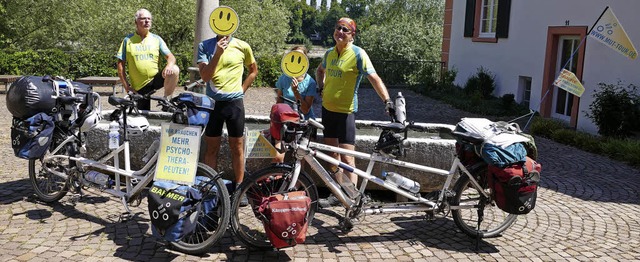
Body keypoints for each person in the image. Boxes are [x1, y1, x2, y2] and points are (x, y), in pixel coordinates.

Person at [315, 17, 394, 207]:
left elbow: (374, 78)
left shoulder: (358, 54)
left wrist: (387, 100)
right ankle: (338, 192)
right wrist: (320, 87)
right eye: (338, 28)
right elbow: (319, 70)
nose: (340, 32)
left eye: (345, 29)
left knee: (347, 158)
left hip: (346, 113)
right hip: (327, 111)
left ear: (352, 35)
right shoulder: (329, 53)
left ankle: (353, 199)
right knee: (332, 157)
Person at [197, 34, 258, 206]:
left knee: (237, 147)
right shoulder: (205, 46)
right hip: (214, 104)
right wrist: (217, 53)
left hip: (234, 104)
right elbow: (205, 77)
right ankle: (211, 187)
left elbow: (253, 70)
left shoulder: (242, 45)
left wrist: (242, 89)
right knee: (211, 148)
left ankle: (240, 189)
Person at [116, 8, 180, 111]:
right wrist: (127, 86)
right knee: (142, 117)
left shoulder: (156, 39)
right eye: (143, 18)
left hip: (155, 80)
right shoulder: (127, 40)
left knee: (174, 69)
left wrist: (169, 65)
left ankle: (166, 100)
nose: (147, 21)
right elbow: (120, 65)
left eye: (149, 19)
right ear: (136, 22)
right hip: (139, 87)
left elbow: (171, 57)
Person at [273, 46, 318, 163]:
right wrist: (274, 122)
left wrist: (296, 92)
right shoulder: (283, 78)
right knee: (278, 156)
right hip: (286, 122)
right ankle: (276, 179)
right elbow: (278, 103)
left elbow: (306, 110)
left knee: (298, 160)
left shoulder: (310, 82)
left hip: (303, 123)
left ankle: (299, 181)